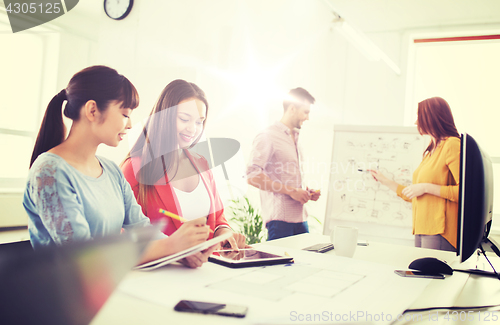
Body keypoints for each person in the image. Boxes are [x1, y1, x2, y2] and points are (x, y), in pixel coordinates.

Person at [23, 66, 215, 268]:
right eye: (125, 114)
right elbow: (83, 257)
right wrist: (171, 246)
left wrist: (183, 251)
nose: (131, 124)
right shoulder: (49, 172)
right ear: (92, 110)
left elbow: (141, 229)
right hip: (63, 295)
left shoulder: (111, 170)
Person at [121, 79, 246, 252]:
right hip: (163, 273)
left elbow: (218, 218)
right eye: (184, 119)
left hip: (207, 269)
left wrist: (224, 232)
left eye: (199, 121)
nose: (193, 129)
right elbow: (124, 232)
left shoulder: (201, 163)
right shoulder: (135, 169)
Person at [370, 97, 460, 252]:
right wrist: (384, 180)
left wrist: (426, 187)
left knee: (431, 275)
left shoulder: (452, 144)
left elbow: (466, 193)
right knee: (421, 275)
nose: (416, 122)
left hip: (440, 230)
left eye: (419, 117)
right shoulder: (431, 150)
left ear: (431, 117)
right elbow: (413, 193)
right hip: (422, 228)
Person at [246, 87, 321, 241]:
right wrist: (291, 191)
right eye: (306, 112)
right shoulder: (268, 136)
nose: (307, 118)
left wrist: (305, 192)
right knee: (278, 265)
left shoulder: (296, 139)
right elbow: (252, 176)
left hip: (301, 219)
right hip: (280, 222)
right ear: (292, 109)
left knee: (305, 264)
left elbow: (286, 178)